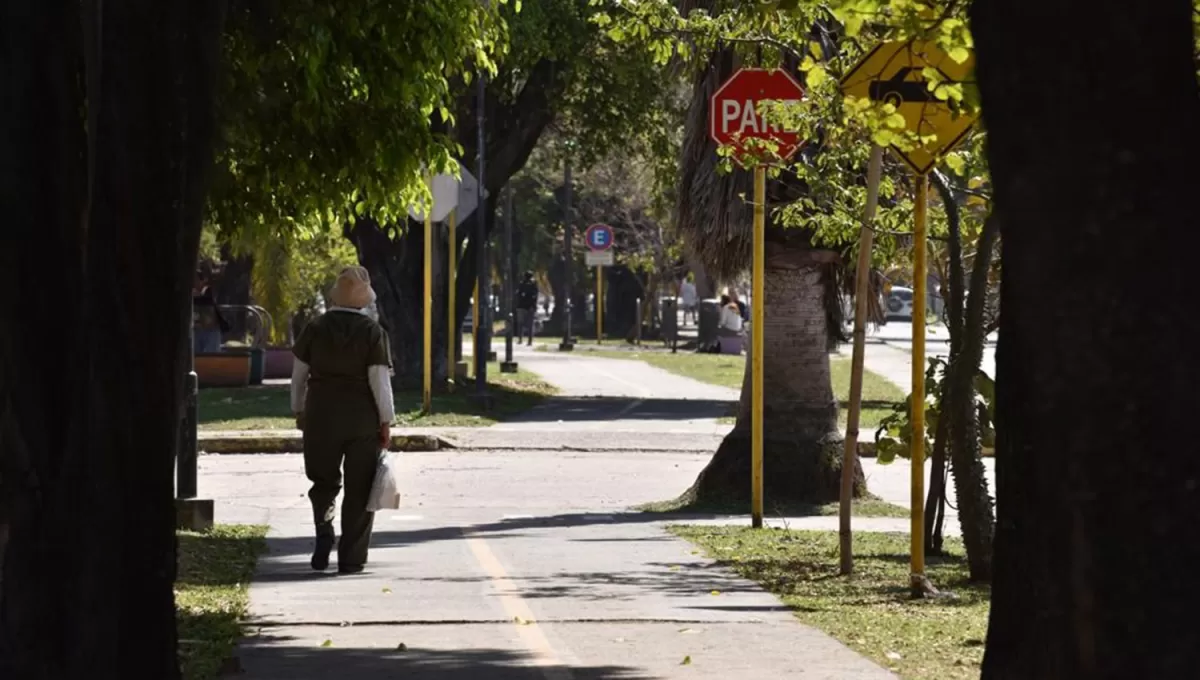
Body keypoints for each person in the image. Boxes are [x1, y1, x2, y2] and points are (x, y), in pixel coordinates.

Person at [290, 266, 395, 574]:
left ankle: (324, 531)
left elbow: (298, 376)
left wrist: (299, 409)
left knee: (323, 482)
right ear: (364, 299)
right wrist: (386, 421)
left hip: (320, 414)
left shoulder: (315, 327)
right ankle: (351, 558)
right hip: (362, 419)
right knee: (360, 489)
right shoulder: (373, 332)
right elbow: (379, 380)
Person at [192, 267, 229, 353]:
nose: (194, 283)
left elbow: (206, 299)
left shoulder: (208, 290)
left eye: (196, 280)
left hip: (211, 330)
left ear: (202, 281)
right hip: (197, 329)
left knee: (212, 354)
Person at [516, 271, 539, 346]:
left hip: (522, 306)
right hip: (529, 307)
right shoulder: (533, 284)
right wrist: (534, 306)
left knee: (521, 324)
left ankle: (520, 339)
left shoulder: (522, 284)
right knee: (530, 325)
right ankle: (529, 341)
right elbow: (535, 296)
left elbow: (518, 295)